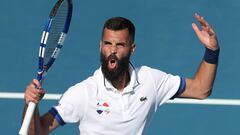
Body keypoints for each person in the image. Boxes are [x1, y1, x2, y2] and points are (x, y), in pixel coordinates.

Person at [23, 13, 219, 135]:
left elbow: (200, 89)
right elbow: (37, 132)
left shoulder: (150, 80)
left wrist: (212, 51)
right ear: (100, 46)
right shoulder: (83, 93)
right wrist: (30, 104)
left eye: (119, 45)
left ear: (132, 48)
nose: (112, 51)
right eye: (108, 44)